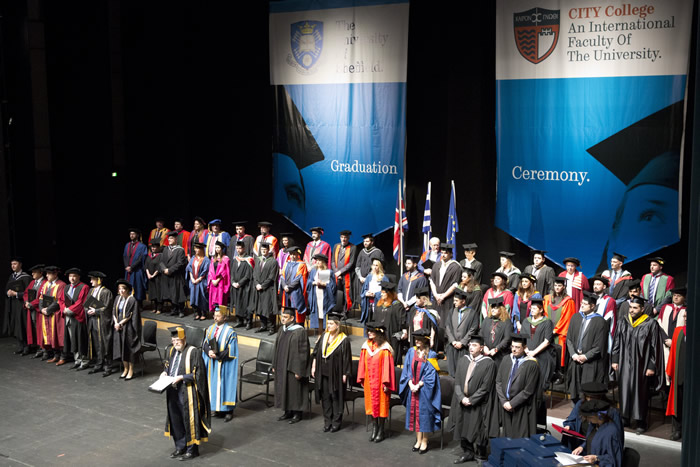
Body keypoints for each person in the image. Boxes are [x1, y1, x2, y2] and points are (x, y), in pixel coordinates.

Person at [612, 296, 664, 434]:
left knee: (640, 393)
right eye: (630, 307)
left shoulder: (650, 323)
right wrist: (615, 359)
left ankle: (641, 421)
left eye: (635, 308)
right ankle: (625, 418)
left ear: (642, 309)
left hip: (642, 365)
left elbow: (655, 347)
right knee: (624, 391)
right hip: (624, 363)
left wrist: (651, 366)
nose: (632, 310)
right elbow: (616, 341)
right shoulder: (623, 321)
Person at [164, 326, 211, 461]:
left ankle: (192, 450)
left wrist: (182, 377)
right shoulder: (172, 350)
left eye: (178, 340)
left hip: (187, 392)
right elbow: (168, 366)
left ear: (184, 339)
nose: (175, 343)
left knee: (188, 420)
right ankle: (180, 447)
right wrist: (164, 373)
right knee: (175, 419)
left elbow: (199, 374)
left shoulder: (193, 352)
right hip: (172, 390)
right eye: (173, 340)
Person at [451, 335, 499, 464]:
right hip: (462, 402)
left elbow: (486, 387)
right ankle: (467, 452)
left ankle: (481, 455)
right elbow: (457, 382)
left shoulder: (489, 363)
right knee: (463, 427)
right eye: (470, 345)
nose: (471, 347)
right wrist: (461, 397)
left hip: (478, 404)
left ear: (481, 348)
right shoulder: (463, 360)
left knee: (478, 430)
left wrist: (471, 400)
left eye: (475, 345)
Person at [399, 329, 441, 454]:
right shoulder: (411, 352)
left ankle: (425, 440)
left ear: (425, 340)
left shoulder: (431, 355)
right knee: (416, 414)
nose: (416, 341)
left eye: (419, 339)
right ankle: (418, 439)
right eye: (415, 338)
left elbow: (431, 375)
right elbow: (406, 370)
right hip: (413, 388)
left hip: (425, 390)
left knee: (425, 415)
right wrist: (410, 383)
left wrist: (419, 385)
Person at [310, 312, 352, 432]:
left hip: (336, 374)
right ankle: (327, 421)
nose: (328, 325)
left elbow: (346, 358)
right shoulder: (324, 336)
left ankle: (336, 422)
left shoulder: (344, 340)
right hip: (323, 372)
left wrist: (345, 373)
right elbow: (316, 352)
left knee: (335, 397)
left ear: (337, 325)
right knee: (325, 397)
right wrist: (314, 366)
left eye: (331, 323)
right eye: (327, 323)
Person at [357, 322, 397, 443]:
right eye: (368, 330)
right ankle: (375, 428)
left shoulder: (385, 348)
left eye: (371, 331)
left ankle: (381, 430)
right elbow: (362, 363)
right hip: (369, 382)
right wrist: (362, 378)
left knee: (382, 405)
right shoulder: (366, 346)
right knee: (371, 405)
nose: (368, 332)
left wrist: (386, 383)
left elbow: (387, 367)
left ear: (379, 333)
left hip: (380, 383)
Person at [566, 291, 609, 402]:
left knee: (587, 393)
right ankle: (576, 412)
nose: (582, 305)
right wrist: (574, 354)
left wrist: (585, 356)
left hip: (590, 362)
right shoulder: (576, 317)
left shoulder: (600, 322)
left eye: (585, 304)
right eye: (581, 303)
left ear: (593, 306)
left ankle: (586, 413)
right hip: (575, 359)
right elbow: (569, 339)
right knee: (575, 391)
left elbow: (599, 346)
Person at [495, 336, 540, 438]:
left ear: (524, 348)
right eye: (512, 346)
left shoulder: (531, 364)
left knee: (519, 437)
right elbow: (498, 382)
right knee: (507, 436)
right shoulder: (506, 359)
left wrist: (512, 403)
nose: (514, 349)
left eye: (517, 347)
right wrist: (504, 402)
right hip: (505, 404)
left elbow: (528, 390)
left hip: (522, 407)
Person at [273, 307, 310, 424]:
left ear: (292, 318)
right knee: (284, 388)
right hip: (281, 365)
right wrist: (274, 364)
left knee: (295, 389)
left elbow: (303, 352)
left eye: (285, 317)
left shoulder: (300, 331)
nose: (282, 319)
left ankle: (297, 413)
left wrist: (299, 370)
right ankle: (287, 411)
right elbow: (276, 348)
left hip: (294, 367)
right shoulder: (281, 329)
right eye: (282, 317)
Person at [522, 294, 555, 425]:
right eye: (531, 308)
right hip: (527, 355)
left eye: (535, 308)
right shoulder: (526, 321)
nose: (532, 310)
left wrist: (533, 353)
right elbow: (523, 338)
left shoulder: (547, 322)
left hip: (542, 357)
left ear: (541, 309)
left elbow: (547, 341)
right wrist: (526, 351)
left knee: (539, 387)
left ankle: (537, 418)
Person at [562, 382, 624, 451]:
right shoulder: (580, 404)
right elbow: (572, 420)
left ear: (600, 397)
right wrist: (569, 426)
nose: (590, 400)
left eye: (593, 397)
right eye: (588, 397)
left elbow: (617, 438)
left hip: (598, 449)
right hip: (579, 444)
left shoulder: (612, 412)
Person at [202, 308, 239, 422]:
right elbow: (205, 343)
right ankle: (217, 409)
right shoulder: (211, 328)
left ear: (224, 317)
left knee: (225, 385)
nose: (215, 318)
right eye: (214, 315)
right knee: (214, 385)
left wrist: (217, 356)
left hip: (224, 363)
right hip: (212, 363)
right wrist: (209, 352)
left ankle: (228, 411)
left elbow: (231, 350)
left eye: (218, 316)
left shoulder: (230, 331)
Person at [571, 399, 624, 467]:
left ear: (600, 416)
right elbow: (591, 440)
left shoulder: (611, 432)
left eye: (590, 417)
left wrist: (597, 458)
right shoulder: (594, 425)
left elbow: (614, 459)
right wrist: (582, 447)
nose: (588, 420)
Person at [544, 277, 577, 381]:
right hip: (548, 330)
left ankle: (560, 375)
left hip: (559, 333)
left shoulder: (568, 301)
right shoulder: (547, 298)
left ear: (563, 287)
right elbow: (544, 313)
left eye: (559, 286)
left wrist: (555, 330)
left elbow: (567, 318)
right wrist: (547, 328)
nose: (557, 287)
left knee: (559, 353)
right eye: (556, 285)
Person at [83, 271, 114, 375]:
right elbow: (86, 303)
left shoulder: (106, 292)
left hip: (102, 322)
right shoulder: (91, 291)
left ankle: (108, 365)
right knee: (96, 343)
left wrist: (95, 311)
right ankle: (99, 363)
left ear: (99, 280)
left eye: (93, 279)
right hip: (93, 321)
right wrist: (87, 309)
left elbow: (107, 307)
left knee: (105, 343)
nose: (91, 281)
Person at [445, 288, 480, 376]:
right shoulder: (452, 311)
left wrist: (462, 342)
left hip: (464, 348)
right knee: (452, 372)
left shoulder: (472, 313)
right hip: (452, 347)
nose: (454, 302)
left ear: (463, 301)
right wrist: (453, 341)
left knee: (463, 373)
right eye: (454, 300)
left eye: (456, 300)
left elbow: (473, 328)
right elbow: (448, 326)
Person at [59, 268, 89, 369]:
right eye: (70, 276)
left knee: (80, 339)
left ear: (79, 277)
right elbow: (61, 300)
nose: (72, 278)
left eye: (74, 276)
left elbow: (81, 302)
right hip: (68, 317)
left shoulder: (84, 287)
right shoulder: (67, 287)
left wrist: (69, 310)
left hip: (77, 317)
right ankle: (77, 360)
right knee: (72, 339)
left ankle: (84, 361)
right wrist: (64, 309)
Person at [112, 279, 141, 380]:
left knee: (129, 349)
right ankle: (125, 368)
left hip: (128, 328)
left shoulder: (132, 300)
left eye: (123, 289)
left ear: (128, 290)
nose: (121, 291)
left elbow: (130, 315)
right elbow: (113, 312)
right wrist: (116, 322)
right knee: (121, 348)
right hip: (119, 328)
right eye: (120, 289)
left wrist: (120, 323)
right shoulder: (117, 298)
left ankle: (131, 370)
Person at [658, 287, 686, 386]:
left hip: (678, 345)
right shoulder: (665, 308)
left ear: (684, 298)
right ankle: (663, 394)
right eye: (674, 295)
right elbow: (659, 325)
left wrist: (674, 342)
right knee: (664, 369)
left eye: (679, 296)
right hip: (665, 344)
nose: (676, 298)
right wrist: (666, 339)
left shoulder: (686, 311)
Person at [37, 266, 66, 362]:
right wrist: (42, 309)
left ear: (55, 274)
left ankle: (63, 356)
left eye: (49, 274)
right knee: (50, 335)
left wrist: (48, 310)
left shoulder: (61, 285)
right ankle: (55, 355)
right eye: (47, 273)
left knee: (58, 336)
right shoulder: (46, 284)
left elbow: (59, 301)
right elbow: (41, 298)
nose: (47, 275)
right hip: (46, 314)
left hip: (56, 314)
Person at [665, 307, 686, 441]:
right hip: (679, 374)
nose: (685, 318)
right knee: (677, 403)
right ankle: (677, 430)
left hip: (692, 377)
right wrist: (669, 371)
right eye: (684, 316)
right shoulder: (678, 331)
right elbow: (672, 354)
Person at [430, 243, 463, 326]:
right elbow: (432, 281)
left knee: (445, 324)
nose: (443, 255)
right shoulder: (436, 265)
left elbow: (455, 284)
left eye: (445, 253)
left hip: (448, 300)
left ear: (451, 254)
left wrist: (443, 296)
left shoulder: (456, 266)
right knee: (434, 323)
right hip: (436, 300)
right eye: (442, 253)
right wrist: (436, 295)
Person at [375, 282, 407, 366]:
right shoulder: (379, 305)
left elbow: (402, 320)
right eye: (381, 292)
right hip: (380, 336)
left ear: (389, 294)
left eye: (384, 293)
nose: (381, 294)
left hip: (392, 337)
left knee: (391, 360)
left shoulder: (397, 305)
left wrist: (404, 331)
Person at [4, 256, 31, 353]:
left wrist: (17, 294)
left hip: (22, 305)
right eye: (11, 264)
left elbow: (30, 293)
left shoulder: (26, 277)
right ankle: (20, 346)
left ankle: (27, 346)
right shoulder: (12, 277)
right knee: (16, 325)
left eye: (15, 264)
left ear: (20, 264)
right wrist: (8, 293)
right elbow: (6, 289)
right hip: (14, 305)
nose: (13, 266)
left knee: (23, 325)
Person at [252, 242, 279, 335]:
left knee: (268, 308)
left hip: (268, 289)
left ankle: (271, 327)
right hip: (258, 288)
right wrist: (256, 284)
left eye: (265, 250)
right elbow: (254, 274)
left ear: (268, 250)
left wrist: (262, 286)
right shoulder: (258, 260)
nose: (263, 251)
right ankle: (263, 325)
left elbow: (272, 277)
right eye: (262, 250)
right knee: (259, 307)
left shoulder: (273, 262)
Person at [354, 233, 385, 313]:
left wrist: (368, 278)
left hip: (372, 280)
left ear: (372, 242)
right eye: (364, 241)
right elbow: (357, 267)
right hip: (361, 280)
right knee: (363, 298)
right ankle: (364, 315)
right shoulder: (362, 252)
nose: (365, 243)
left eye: (367, 241)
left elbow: (380, 267)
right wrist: (360, 277)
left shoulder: (377, 252)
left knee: (372, 299)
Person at [480, 296, 512, 369]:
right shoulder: (486, 320)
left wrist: (496, 349)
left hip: (500, 355)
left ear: (501, 309)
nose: (493, 310)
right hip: (486, 353)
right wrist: (484, 346)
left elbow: (507, 338)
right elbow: (481, 334)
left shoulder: (506, 322)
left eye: (496, 308)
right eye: (492, 308)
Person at [306, 253, 337, 330]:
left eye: (320, 260)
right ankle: (320, 334)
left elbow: (333, 286)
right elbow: (309, 281)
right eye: (317, 260)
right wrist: (313, 282)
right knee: (318, 315)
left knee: (324, 315)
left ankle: (326, 334)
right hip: (315, 295)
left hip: (325, 296)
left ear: (324, 262)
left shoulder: (327, 271)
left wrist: (325, 284)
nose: (318, 262)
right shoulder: (313, 271)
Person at [161, 231, 188, 318]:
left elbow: (180, 263)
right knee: (170, 293)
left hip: (176, 275)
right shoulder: (165, 249)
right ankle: (174, 309)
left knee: (178, 293)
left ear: (176, 239)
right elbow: (161, 261)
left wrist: (170, 270)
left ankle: (181, 310)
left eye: (171, 238)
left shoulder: (180, 250)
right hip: (167, 275)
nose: (169, 240)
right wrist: (164, 269)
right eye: (169, 238)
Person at [279, 245, 308, 324]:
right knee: (287, 308)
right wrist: (284, 286)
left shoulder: (302, 264)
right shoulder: (287, 263)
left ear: (297, 255)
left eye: (294, 254)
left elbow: (298, 278)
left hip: (295, 291)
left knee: (296, 308)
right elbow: (282, 276)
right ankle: (288, 324)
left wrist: (289, 287)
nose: (292, 256)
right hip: (286, 291)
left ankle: (298, 325)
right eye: (291, 254)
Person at [331, 230, 357, 315]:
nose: (343, 239)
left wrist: (340, 272)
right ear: (340, 238)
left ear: (348, 238)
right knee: (336, 292)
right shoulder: (336, 246)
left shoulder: (353, 247)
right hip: (336, 274)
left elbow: (351, 263)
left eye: (345, 237)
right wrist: (336, 272)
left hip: (347, 275)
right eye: (342, 237)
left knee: (347, 294)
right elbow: (332, 262)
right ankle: (335, 309)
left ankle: (345, 312)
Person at [230, 241, 255, 329]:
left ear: (244, 248)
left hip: (245, 287)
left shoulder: (249, 260)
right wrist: (233, 282)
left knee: (246, 304)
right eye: (237, 248)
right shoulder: (235, 259)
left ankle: (248, 322)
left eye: (240, 248)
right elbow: (232, 272)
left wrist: (240, 283)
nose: (238, 250)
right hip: (235, 286)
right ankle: (239, 320)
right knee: (237, 303)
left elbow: (248, 275)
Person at [407, 287, 440, 351]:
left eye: (418, 298)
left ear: (424, 299)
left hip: (425, 340)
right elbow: (410, 324)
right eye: (416, 298)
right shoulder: (414, 309)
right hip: (414, 339)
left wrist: (432, 339)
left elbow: (433, 327)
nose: (416, 300)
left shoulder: (430, 310)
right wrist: (409, 337)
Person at [24, 264, 46, 358]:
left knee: (41, 329)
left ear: (41, 273)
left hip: (39, 311)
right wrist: (26, 302)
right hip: (31, 310)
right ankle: (38, 348)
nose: (32, 274)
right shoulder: (32, 283)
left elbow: (42, 297)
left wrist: (32, 304)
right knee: (34, 329)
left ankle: (44, 349)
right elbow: (26, 293)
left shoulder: (45, 283)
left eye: (35, 272)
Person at [123, 228, 147, 305]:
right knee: (128, 286)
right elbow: (124, 256)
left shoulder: (142, 246)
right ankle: (129, 303)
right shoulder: (127, 245)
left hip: (137, 270)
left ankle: (139, 304)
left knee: (138, 287)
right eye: (130, 234)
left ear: (137, 235)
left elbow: (141, 258)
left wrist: (132, 267)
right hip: (128, 271)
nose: (131, 235)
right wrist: (126, 266)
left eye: (133, 234)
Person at [186, 242, 210, 320]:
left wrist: (199, 279)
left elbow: (206, 271)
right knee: (193, 297)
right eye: (195, 248)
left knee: (201, 297)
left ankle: (203, 313)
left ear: (201, 249)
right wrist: (192, 278)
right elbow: (189, 269)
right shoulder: (193, 258)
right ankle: (197, 312)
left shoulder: (206, 260)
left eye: (197, 248)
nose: (195, 250)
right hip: (193, 281)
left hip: (201, 282)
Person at [360, 258, 388, 324]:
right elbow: (364, 289)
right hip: (368, 303)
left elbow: (386, 291)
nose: (374, 267)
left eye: (376, 265)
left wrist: (376, 294)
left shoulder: (383, 277)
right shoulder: (369, 276)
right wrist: (366, 293)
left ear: (380, 267)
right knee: (368, 322)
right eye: (373, 265)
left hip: (378, 303)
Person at [207, 241, 230, 317]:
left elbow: (226, 272)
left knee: (220, 299)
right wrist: (212, 280)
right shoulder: (213, 258)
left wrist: (217, 280)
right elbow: (210, 270)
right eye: (216, 247)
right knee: (214, 300)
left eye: (218, 247)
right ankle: (216, 316)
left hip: (220, 283)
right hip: (213, 282)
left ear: (222, 248)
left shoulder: (225, 259)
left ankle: (221, 316)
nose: (217, 249)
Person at [145, 239, 164, 314]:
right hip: (150, 277)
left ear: (158, 248)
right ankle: (154, 307)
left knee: (158, 292)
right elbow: (146, 266)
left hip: (158, 277)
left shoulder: (161, 256)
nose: (153, 248)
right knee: (152, 292)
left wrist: (153, 275)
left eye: (155, 247)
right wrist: (148, 274)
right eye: (152, 247)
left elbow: (160, 267)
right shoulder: (149, 256)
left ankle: (159, 308)